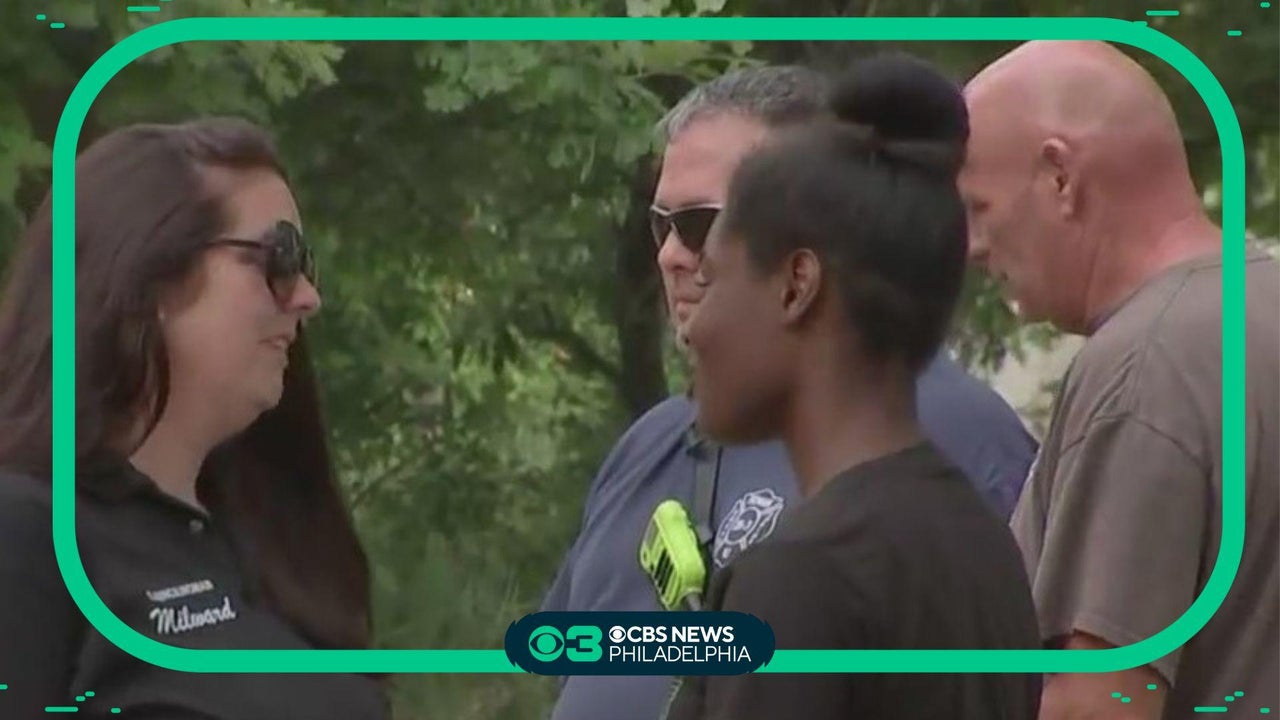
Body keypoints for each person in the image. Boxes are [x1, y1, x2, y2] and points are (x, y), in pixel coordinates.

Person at [544, 63, 1039, 720]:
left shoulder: (801, 572)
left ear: (796, 283)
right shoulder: (978, 547)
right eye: (660, 227)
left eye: (710, 247)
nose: (674, 267)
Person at [0, 118, 389, 719]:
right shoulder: (29, 534)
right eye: (279, 256)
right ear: (149, 273)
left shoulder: (268, 540)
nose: (307, 297)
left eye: (304, 263)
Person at [960, 41, 1279, 718]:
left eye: (978, 208)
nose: (973, 247)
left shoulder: (1143, 367)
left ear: (1059, 177)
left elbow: (1098, 702)